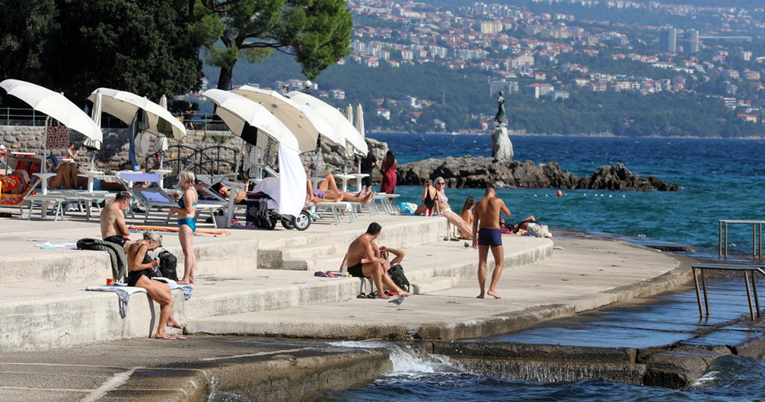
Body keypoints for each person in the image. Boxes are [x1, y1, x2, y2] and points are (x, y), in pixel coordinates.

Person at [126, 232, 184, 339]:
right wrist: (152, 264)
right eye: (155, 247)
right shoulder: (143, 246)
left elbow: (135, 264)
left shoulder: (135, 244)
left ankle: (170, 319)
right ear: (152, 241)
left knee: (166, 288)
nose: (153, 250)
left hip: (136, 278)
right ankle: (160, 332)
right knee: (169, 301)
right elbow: (136, 266)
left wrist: (147, 267)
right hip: (139, 279)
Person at [340, 222, 410, 300]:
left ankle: (399, 290)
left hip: (360, 266)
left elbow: (377, 250)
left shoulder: (369, 239)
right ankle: (380, 293)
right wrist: (380, 262)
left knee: (379, 267)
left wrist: (379, 264)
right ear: (377, 234)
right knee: (376, 266)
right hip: (353, 269)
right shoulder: (365, 242)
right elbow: (371, 259)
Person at [472, 187, 511, 300]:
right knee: (499, 263)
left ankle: (481, 292)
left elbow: (475, 223)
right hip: (494, 232)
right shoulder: (498, 201)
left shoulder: (479, 203)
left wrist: (474, 237)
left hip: (483, 232)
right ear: (494, 194)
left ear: (485, 194)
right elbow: (508, 213)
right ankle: (492, 289)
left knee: (482, 263)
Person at [170, 171, 197, 285]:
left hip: (185, 222)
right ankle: (191, 277)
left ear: (185, 179)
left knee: (187, 252)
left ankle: (186, 278)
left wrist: (175, 209)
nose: (179, 181)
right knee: (190, 251)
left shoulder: (188, 193)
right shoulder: (192, 191)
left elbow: (189, 210)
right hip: (189, 222)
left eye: (181, 179)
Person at [307, 173, 374, 204]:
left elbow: (308, 181)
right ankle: (362, 200)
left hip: (316, 192)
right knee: (341, 195)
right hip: (316, 194)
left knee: (329, 175)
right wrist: (311, 195)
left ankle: (356, 196)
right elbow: (308, 181)